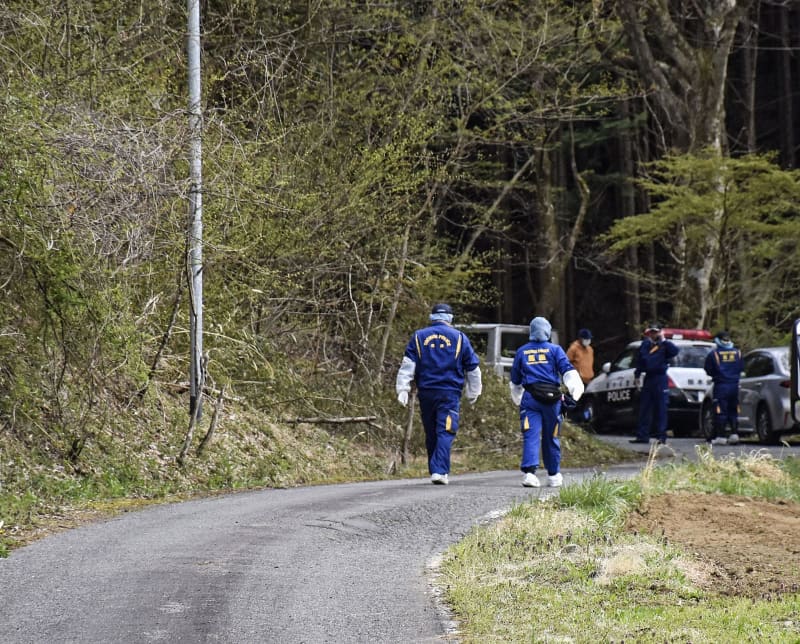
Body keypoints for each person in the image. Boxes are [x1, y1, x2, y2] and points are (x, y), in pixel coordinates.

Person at [395, 303, 482, 485]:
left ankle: (436, 469)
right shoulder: (459, 338)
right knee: (446, 430)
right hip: (449, 393)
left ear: (432, 316)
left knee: (431, 431)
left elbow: (407, 365)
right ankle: (439, 470)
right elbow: (473, 368)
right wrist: (474, 391)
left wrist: (403, 388)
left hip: (426, 392)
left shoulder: (419, 337)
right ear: (450, 318)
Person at [509, 316, 584, 488]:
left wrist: (517, 399)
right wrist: (575, 392)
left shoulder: (522, 351)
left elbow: (515, 380)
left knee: (531, 435)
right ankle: (553, 474)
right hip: (552, 401)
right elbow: (568, 371)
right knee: (552, 436)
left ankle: (529, 474)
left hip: (530, 400)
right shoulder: (555, 350)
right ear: (548, 331)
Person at [630, 323, 679, 445]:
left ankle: (661, 437)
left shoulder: (665, 345)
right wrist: (637, 375)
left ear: (660, 332)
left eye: (656, 332)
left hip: (660, 379)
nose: (653, 334)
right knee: (645, 408)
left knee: (661, 409)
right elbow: (641, 361)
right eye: (652, 332)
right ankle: (642, 435)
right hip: (649, 379)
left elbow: (675, 351)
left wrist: (664, 340)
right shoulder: (646, 344)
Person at [704, 330, 744, 446]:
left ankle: (721, 436)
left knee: (720, 410)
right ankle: (734, 434)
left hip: (721, 385)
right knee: (733, 409)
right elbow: (741, 368)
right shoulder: (738, 353)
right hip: (734, 385)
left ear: (717, 340)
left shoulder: (714, 354)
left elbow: (708, 369)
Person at [566, 328, 594, 422]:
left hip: (588, 380)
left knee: (584, 403)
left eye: (589, 339)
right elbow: (566, 362)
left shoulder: (590, 350)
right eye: (586, 338)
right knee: (574, 402)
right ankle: (571, 420)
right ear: (580, 339)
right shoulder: (573, 348)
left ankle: (582, 421)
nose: (588, 341)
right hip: (576, 380)